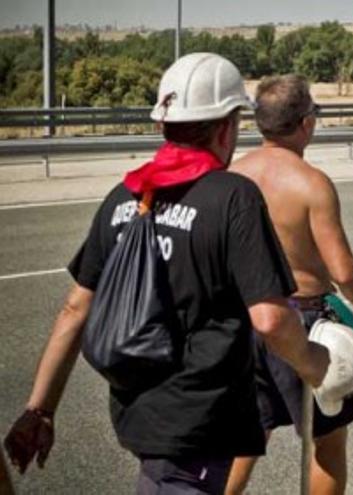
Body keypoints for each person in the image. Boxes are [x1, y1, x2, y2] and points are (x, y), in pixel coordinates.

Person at [2, 53, 329, 495]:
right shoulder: (233, 197)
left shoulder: (126, 195)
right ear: (227, 125)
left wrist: (39, 409)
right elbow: (270, 319)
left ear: (163, 125)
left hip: (138, 413)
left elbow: (74, 309)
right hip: (200, 420)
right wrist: (312, 361)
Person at [225, 74, 353, 495]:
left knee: (244, 433)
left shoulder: (231, 176)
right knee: (327, 441)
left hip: (241, 316)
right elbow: (344, 271)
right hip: (303, 319)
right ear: (306, 123)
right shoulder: (311, 183)